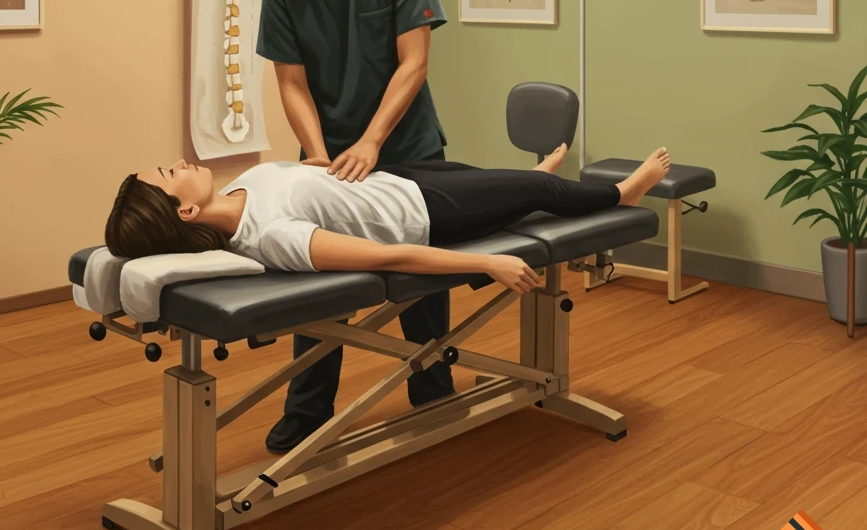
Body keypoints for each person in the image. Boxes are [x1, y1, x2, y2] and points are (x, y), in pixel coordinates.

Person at [252, 0, 455, 453]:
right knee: (318, 285)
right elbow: (291, 81)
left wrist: (372, 141)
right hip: (329, 159)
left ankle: (433, 386)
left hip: (407, 145)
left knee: (421, 281)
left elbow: (413, 63)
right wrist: (315, 153)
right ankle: (309, 409)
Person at [104, 144, 672, 328]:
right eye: (169, 173)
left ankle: (527, 185)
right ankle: (619, 194)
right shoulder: (271, 237)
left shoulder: (241, 186)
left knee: (497, 180)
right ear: (182, 211)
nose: (178, 161)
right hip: (424, 213)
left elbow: (309, 172)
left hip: (398, 179)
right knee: (542, 195)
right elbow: (390, 255)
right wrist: (487, 265)